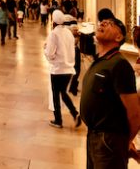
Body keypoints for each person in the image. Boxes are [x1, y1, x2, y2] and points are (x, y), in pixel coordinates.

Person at [80, 15, 140, 168]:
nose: (105, 23)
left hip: (109, 141)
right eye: (104, 21)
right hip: (94, 137)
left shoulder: (119, 65)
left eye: (112, 24)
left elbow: (135, 113)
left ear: (119, 37)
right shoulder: (101, 61)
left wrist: (124, 141)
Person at [44, 10, 80, 129]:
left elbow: (50, 53)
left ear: (53, 21)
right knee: (63, 93)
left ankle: (58, 120)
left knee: (56, 95)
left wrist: (45, 49)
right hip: (69, 69)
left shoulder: (54, 34)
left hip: (57, 69)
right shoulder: (68, 33)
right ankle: (75, 113)